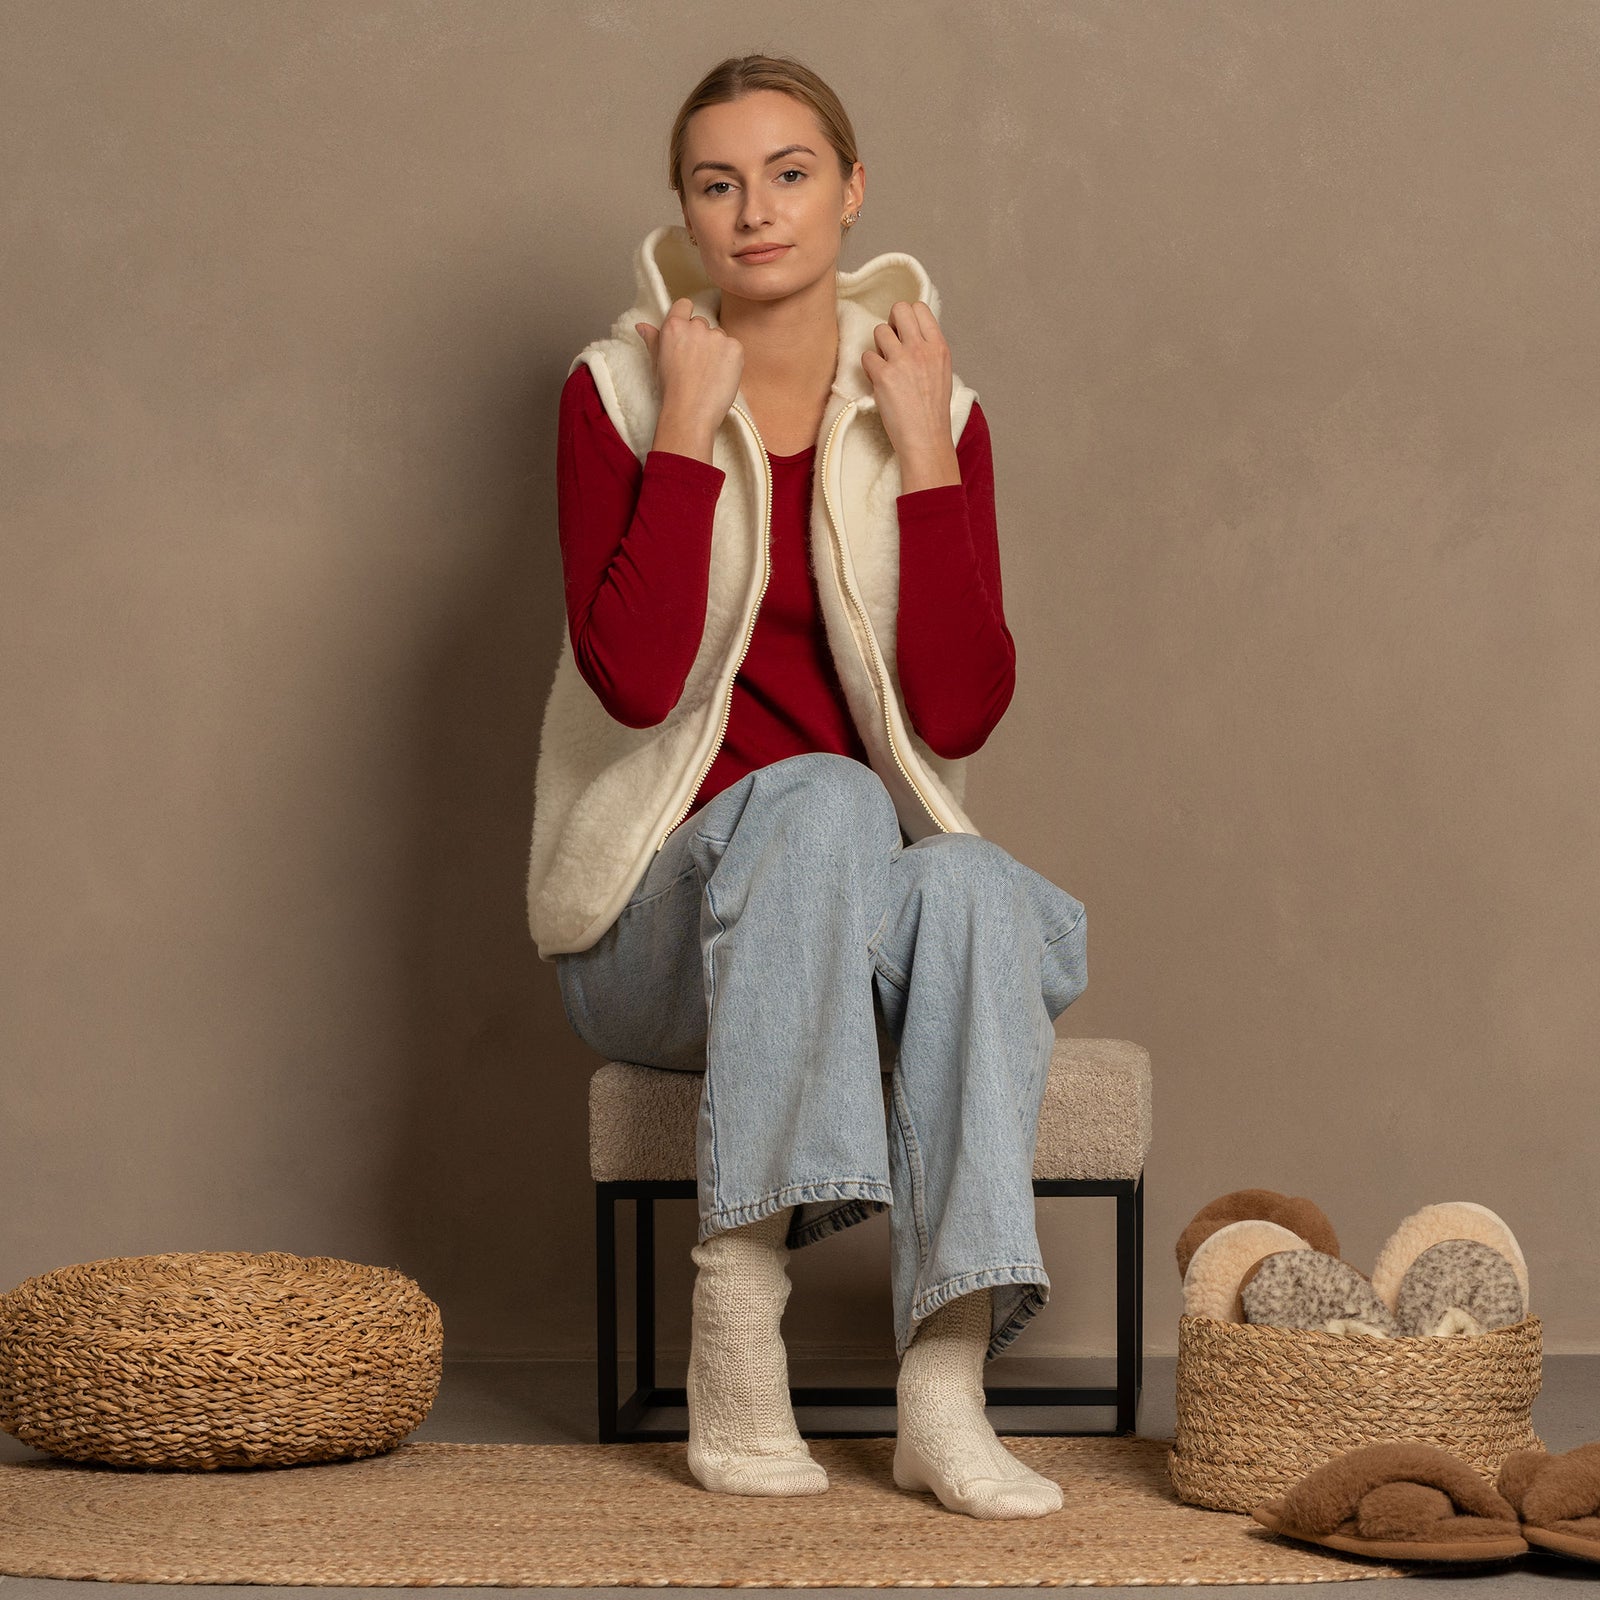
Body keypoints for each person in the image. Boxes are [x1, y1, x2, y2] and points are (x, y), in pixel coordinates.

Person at [527, 54, 1088, 1520]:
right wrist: (677, 437)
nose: (754, 210)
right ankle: (735, 1316)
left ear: (850, 191)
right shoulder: (615, 390)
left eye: (787, 173)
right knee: (829, 796)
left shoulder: (934, 404)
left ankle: (943, 1387)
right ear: (686, 210)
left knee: (966, 878)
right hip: (654, 935)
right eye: (718, 182)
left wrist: (921, 452)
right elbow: (637, 684)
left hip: (842, 921)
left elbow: (962, 710)